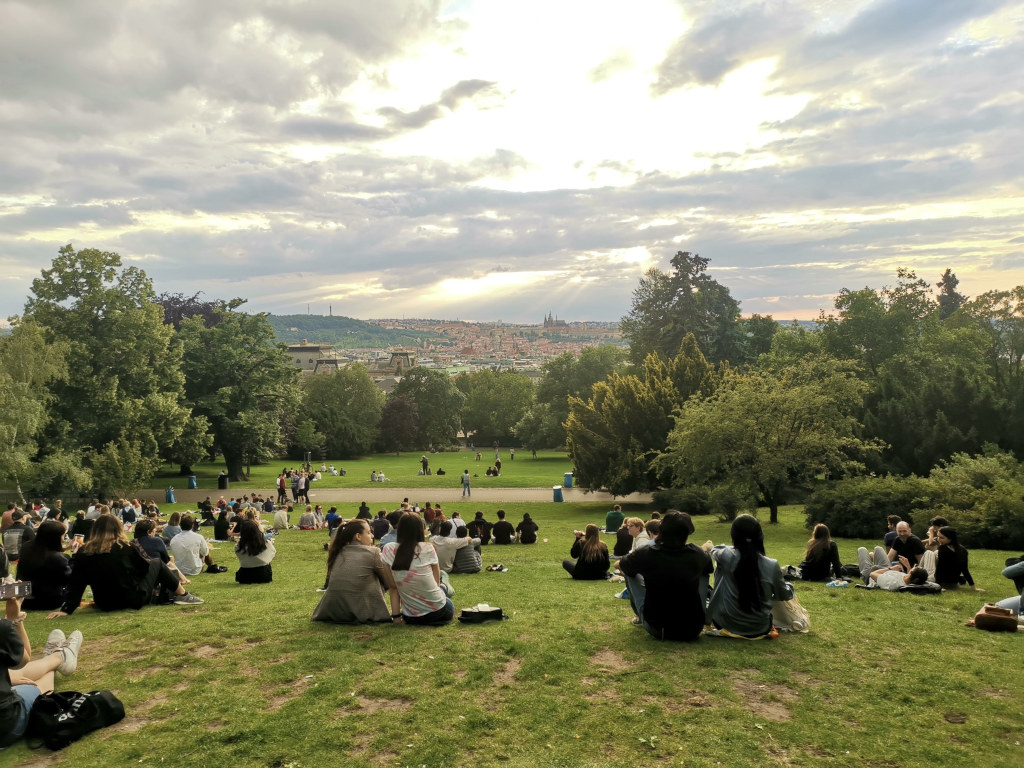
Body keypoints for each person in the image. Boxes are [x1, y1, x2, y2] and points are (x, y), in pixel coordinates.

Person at [47, 515, 203, 616]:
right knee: (156, 563)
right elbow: (143, 569)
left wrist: (67, 610)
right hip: (132, 598)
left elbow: (77, 583)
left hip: (105, 602)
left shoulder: (84, 551)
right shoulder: (125, 547)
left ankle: (179, 594)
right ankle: (183, 595)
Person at [2, 594, 84, 748]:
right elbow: (23, 658)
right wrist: (14, 619)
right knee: (32, 685)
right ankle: (59, 657)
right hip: (6, 726)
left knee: (13, 675)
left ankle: (57, 657)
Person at [619, 511, 713, 641]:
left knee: (630, 572)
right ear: (688, 532)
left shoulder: (647, 553)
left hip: (658, 628)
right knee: (704, 574)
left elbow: (623, 564)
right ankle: (703, 616)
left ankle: (641, 617)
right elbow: (708, 569)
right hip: (692, 629)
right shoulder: (698, 554)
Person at [706, 515, 794, 639]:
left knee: (721, 570)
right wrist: (789, 587)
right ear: (759, 536)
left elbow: (714, 550)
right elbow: (783, 595)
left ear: (734, 535)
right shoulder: (772, 564)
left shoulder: (726, 556)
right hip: (760, 627)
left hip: (725, 623)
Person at [313, 519, 400, 624]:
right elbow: (388, 583)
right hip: (362, 612)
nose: (372, 536)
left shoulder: (338, 551)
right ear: (358, 536)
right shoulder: (373, 552)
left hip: (332, 611)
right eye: (368, 533)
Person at [381, 514, 454, 625]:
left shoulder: (388, 549)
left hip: (411, 617)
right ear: (420, 529)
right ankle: (446, 586)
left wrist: (396, 618)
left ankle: (445, 587)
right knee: (443, 582)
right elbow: (436, 584)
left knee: (441, 585)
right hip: (439, 611)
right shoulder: (427, 547)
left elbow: (393, 588)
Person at [16, 522, 72, 611]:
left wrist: (63, 549)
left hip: (23, 600)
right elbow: (67, 580)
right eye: (63, 535)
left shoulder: (26, 547)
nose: (63, 538)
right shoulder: (57, 558)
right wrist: (75, 557)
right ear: (56, 537)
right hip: (48, 602)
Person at [920, 526, 983, 591]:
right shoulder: (963, 550)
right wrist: (974, 587)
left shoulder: (943, 549)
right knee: (935, 552)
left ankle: (917, 574)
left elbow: (940, 569)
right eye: (938, 536)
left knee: (928, 552)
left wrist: (939, 586)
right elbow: (965, 570)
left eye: (941, 538)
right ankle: (917, 573)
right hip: (953, 583)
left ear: (950, 538)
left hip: (938, 582)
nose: (938, 539)